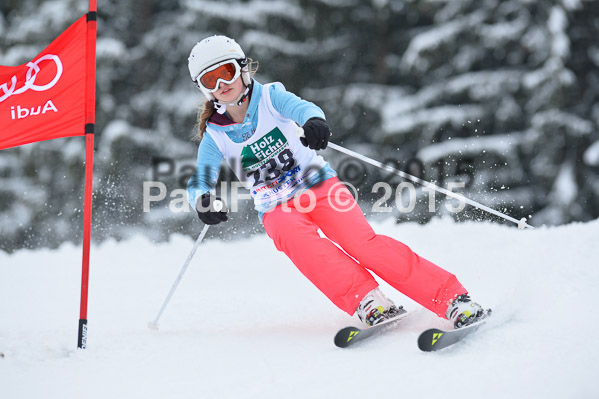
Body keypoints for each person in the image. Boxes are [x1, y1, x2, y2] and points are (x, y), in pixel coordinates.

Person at [186, 35, 488, 328]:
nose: (222, 85)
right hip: (275, 205)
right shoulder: (216, 135)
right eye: (209, 80)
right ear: (203, 89)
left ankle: (450, 298)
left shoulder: (269, 97)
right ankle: (367, 299)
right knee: (299, 243)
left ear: (242, 68)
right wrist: (202, 199)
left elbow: (302, 108)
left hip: (318, 186)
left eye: (226, 73)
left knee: (363, 244)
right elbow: (202, 177)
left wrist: (313, 122)